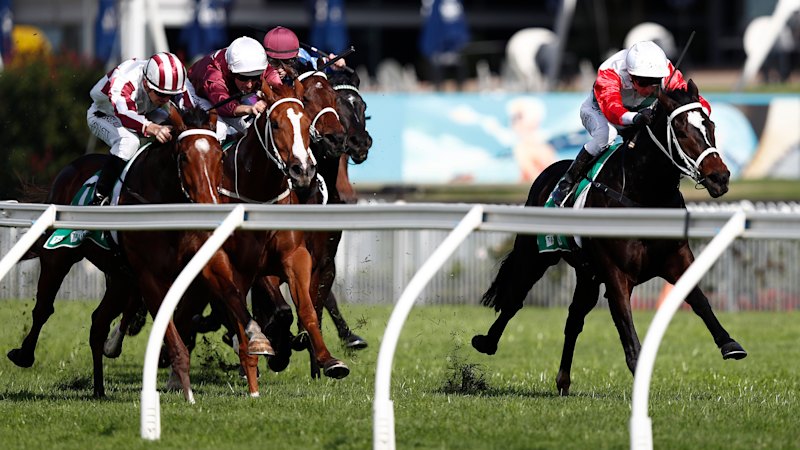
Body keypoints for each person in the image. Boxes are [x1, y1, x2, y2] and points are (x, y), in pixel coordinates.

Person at [550, 40, 711, 206]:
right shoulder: (610, 71)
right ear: (630, 75)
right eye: (643, 82)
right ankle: (568, 181)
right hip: (600, 111)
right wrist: (635, 118)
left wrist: (700, 116)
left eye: (655, 82)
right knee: (606, 136)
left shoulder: (667, 71)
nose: (649, 89)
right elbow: (612, 109)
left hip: (639, 114)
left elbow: (695, 102)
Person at [88, 51, 194, 205]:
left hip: (142, 111)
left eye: (170, 95)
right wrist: (154, 128)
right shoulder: (125, 80)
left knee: (175, 128)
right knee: (129, 142)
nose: (165, 99)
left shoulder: (166, 80)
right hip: (105, 114)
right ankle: (99, 198)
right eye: (160, 94)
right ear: (145, 83)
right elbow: (124, 114)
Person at [187, 36, 269, 141]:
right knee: (220, 130)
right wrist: (249, 109)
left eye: (255, 77)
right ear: (231, 71)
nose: (250, 85)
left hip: (229, 95)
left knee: (253, 128)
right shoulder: (213, 75)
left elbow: (277, 85)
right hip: (199, 94)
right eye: (243, 77)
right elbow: (225, 106)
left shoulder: (260, 64)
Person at [261, 26, 346, 88]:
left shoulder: (302, 57)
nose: (280, 70)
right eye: (274, 62)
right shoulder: (257, 63)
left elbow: (314, 64)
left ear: (296, 57)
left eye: (286, 62)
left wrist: (331, 65)